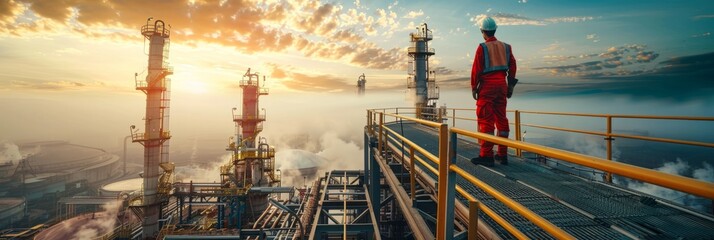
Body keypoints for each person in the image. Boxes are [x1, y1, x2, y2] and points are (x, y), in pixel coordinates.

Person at [470, 16, 517, 167]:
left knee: (486, 120)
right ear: (495, 30)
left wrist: (474, 87)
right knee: (501, 119)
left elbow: (476, 70)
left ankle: (486, 155)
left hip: (487, 87)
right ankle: (502, 155)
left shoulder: (482, 47)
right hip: (501, 85)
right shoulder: (506, 47)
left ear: (482, 32)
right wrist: (510, 86)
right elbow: (513, 66)